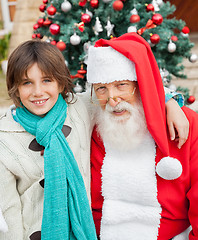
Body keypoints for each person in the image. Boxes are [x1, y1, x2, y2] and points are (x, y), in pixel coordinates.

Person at [87, 32, 198, 239]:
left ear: (140, 85)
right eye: (102, 88)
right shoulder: (93, 125)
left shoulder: (186, 123)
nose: (112, 99)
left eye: (122, 85)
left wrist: (168, 100)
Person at [0, 40, 97, 240]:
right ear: (16, 88)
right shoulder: (4, 138)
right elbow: (9, 211)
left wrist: (170, 101)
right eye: (27, 82)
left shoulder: (79, 109)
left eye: (47, 80)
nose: (38, 92)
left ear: (60, 83)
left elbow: (124, 94)